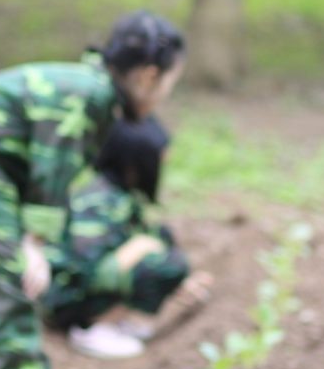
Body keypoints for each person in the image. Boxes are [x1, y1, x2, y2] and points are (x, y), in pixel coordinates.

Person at [0, 11, 186, 369]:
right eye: (169, 84)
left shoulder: (95, 92)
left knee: (18, 275)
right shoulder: (88, 95)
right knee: (5, 273)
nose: (164, 95)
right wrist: (32, 243)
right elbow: (54, 167)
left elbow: (57, 173)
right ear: (148, 76)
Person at [40, 115, 212, 356]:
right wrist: (140, 251)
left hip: (75, 288)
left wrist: (177, 284)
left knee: (160, 241)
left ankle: (115, 318)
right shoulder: (99, 201)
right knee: (164, 259)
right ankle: (94, 328)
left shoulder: (120, 195)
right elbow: (78, 267)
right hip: (64, 299)